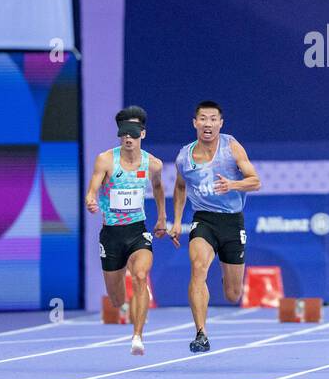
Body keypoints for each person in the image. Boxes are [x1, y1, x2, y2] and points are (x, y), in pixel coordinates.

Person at [169, 101, 261, 354]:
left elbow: (255, 182)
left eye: (213, 119)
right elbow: (179, 187)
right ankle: (201, 333)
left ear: (220, 123)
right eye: (203, 119)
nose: (207, 124)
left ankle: (225, 268)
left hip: (231, 221)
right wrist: (176, 221)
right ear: (195, 123)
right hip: (203, 220)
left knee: (233, 294)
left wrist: (233, 185)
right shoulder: (184, 157)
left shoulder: (231, 147)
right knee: (198, 268)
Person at [85, 107, 167, 355]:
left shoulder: (153, 164)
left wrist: (162, 216)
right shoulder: (106, 159)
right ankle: (128, 293)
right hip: (111, 235)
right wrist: (91, 200)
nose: (128, 138)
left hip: (137, 231)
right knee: (117, 299)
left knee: (141, 275)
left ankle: (137, 337)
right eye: (123, 133)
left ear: (142, 133)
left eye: (133, 132)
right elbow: (93, 188)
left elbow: (159, 189)